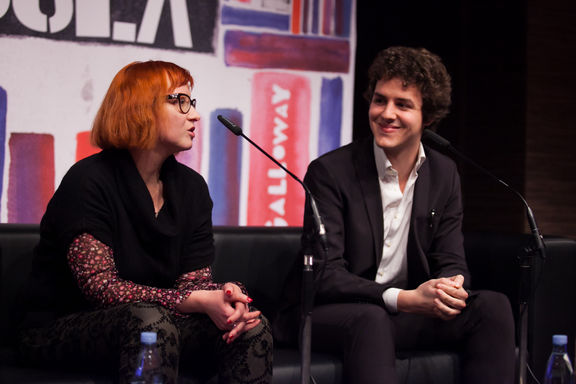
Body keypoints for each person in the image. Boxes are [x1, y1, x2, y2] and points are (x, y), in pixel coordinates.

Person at [17, 61, 273, 383]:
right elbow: (101, 289)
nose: (194, 114)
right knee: (150, 323)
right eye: (179, 101)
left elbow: (192, 285)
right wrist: (191, 300)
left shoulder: (192, 188)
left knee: (250, 326)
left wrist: (226, 296)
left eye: (191, 102)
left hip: (154, 319)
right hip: (61, 325)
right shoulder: (88, 181)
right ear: (140, 109)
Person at [297, 47, 515, 383]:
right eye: (380, 100)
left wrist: (450, 287)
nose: (386, 113)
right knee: (372, 320)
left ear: (427, 117)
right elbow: (326, 275)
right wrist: (404, 299)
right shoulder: (330, 172)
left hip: (402, 313)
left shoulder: (444, 174)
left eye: (403, 104)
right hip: (334, 313)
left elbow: (452, 260)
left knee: (492, 307)